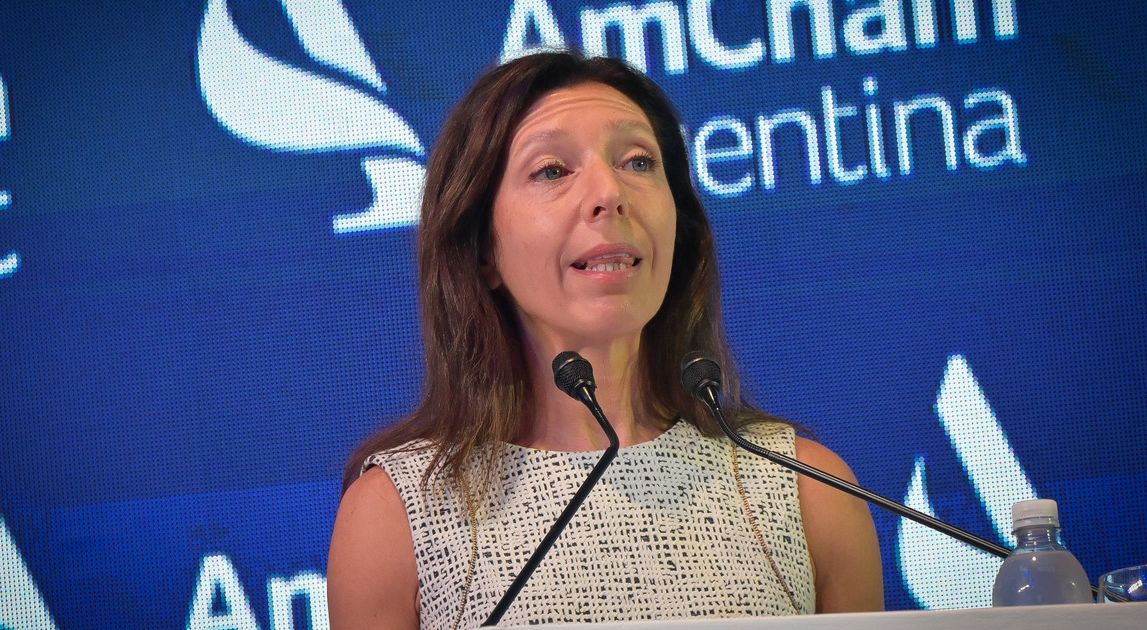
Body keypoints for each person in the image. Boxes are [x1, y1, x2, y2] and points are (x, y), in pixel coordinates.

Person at [327, 51, 883, 629]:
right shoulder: (397, 515)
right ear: (483, 249)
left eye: (638, 162)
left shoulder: (807, 490)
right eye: (551, 170)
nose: (609, 192)